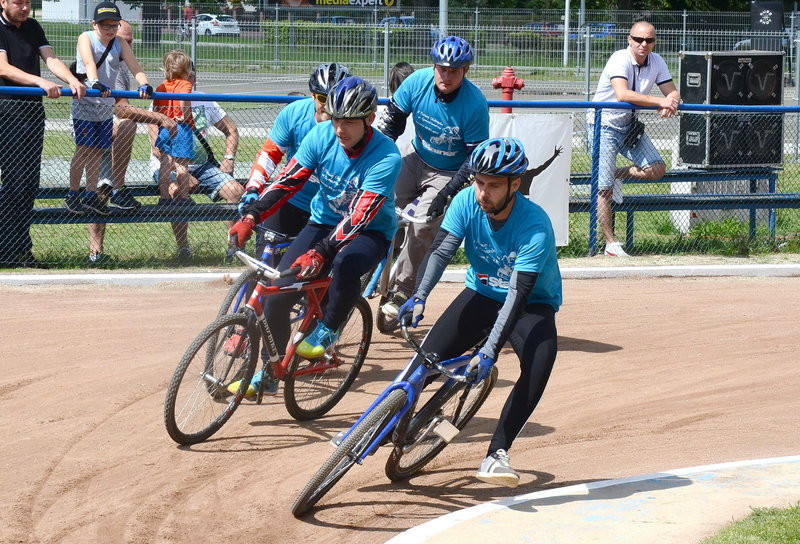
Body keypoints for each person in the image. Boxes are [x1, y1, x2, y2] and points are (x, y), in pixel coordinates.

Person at [396, 137, 562, 488]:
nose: (483, 193)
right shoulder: (465, 202)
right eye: (479, 183)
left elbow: (517, 296)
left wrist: (488, 352)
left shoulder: (535, 226)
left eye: (493, 186)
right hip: (482, 293)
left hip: (530, 304)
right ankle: (385, 419)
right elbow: (441, 252)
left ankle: (497, 453)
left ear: (515, 185)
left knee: (540, 363)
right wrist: (420, 296)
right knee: (425, 360)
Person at [227, 76, 401, 397]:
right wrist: (252, 216)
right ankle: (270, 371)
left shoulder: (387, 156)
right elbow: (289, 181)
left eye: (349, 121)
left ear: (370, 120)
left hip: (370, 231)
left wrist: (322, 251)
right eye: (336, 119)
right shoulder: (321, 136)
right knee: (276, 297)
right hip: (322, 223)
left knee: (347, 263)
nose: (340, 129)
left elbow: (359, 216)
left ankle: (329, 329)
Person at [375, 35, 489, 318]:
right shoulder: (417, 83)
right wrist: (378, 163)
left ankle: (403, 288)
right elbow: (391, 125)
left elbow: (474, 160)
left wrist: (447, 192)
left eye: (454, 70)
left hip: (449, 170)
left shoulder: (474, 104)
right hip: (416, 160)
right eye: (442, 68)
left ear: (466, 71)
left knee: (423, 224)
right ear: (433, 66)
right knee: (376, 196)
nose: (446, 76)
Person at [0, 0, 85, 268]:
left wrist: (70, 79)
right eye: (18, 3)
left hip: (33, 112)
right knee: (13, 184)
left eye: (28, 3)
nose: (25, 8)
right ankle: (7, 251)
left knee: (28, 185)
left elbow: (51, 58)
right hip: (8, 110)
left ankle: (22, 251)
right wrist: (39, 81)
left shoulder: (33, 26)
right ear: (3, 2)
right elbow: (2, 67)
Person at [589, 20, 680, 257]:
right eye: (638, 39)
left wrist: (672, 102)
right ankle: (610, 243)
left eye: (649, 40)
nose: (643, 44)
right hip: (604, 125)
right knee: (604, 189)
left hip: (629, 127)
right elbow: (622, 94)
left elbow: (672, 91)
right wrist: (660, 101)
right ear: (629, 39)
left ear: (654, 42)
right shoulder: (619, 58)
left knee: (657, 168)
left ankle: (617, 175)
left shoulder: (657, 60)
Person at [90, 19, 177, 265]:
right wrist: (159, 116)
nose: (124, 43)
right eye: (121, 39)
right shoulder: (102, 63)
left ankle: (117, 188)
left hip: (112, 136)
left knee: (101, 189)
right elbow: (123, 110)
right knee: (99, 191)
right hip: (97, 135)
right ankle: (95, 252)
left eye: (128, 40)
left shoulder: (124, 66)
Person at [239, 62, 351, 245]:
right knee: (265, 259)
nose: (329, 106)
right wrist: (253, 188)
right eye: (323, 98)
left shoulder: (350, 128)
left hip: (330, 209)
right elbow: (270, 154)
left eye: (335, 98)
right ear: (313, 95)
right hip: (291, 199)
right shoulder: (294, 113)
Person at [65, 2, 154, 218]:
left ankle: (90, 193)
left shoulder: (120, 42)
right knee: (84, 149)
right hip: (86, 104)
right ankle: (73, 193)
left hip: (105, 107)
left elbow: (135, 67)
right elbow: (88, 63)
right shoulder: (86, 37)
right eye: (105, 25)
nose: (110, 29)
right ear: (94, 24)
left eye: (114, 25)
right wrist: (95, 83)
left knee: (97, 151)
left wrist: (144, 83)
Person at [148, 64, 244, 263]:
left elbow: (231, 130)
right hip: (168, 166)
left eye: (191, 76)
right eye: (183, 76)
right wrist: (182, 172)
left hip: (202, 166)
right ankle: (183, 249)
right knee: (176, 191)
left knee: (235, 190)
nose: (189, 80)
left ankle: (234, 248)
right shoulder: (161, 98)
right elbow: (157, 149)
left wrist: (228, 158)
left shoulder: (205, 100)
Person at [152, 49, 196, 263]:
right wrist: (185, 116)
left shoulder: (162, 87)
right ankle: (184, 198)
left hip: (164, 127)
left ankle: (163, 198)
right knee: (182, 165)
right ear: (185, 70)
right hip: (181, 127)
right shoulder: (185, 85)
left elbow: (158, 109)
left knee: (165, 163)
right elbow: (183, 103)